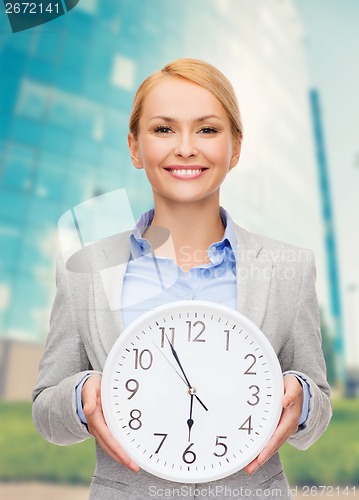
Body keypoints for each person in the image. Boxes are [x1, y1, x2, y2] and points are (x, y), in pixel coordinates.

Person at [32, 58, 332, 499]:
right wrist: (80, 395)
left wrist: (302, 399)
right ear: (135, 147)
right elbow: (45, 413)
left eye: (208, 130)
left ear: (236, 147)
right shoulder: (84, 269)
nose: (186, 148)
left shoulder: (289, 268)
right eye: (163, 129)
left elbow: (318, 405)